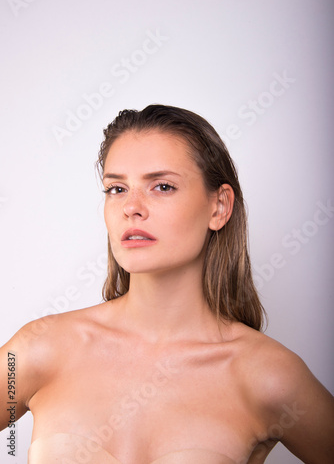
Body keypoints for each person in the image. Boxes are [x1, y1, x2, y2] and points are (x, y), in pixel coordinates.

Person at [0, 104, 333, 464]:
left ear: (219, 207)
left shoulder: (267, 376)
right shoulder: (40, 349)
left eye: (162, 186)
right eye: (116, 188)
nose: (132, 207)